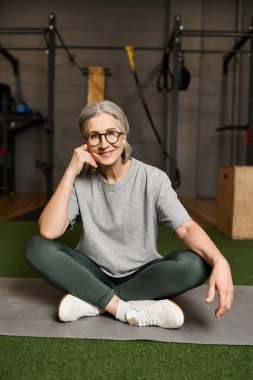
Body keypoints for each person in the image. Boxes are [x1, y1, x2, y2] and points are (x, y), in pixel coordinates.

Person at [24, 100, 234, 329]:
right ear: (85, 144)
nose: (104, 143)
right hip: (92, 272)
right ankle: (123, 308)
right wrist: (70, 172)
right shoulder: (79, 181)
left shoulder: (153, 178)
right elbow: (49, 230)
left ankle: (94, 300)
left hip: (142, 276)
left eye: (111, 133)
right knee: (35, 247)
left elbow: (186, 227)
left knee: (197, 263)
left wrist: (220, 261)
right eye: (94, 136)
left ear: (123, 137)